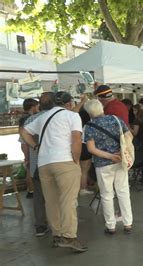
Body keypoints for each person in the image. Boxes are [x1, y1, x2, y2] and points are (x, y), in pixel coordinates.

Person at [22, 91, 87, 252]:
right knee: (67, 200)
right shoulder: (72, 116)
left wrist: (35, 146)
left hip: (44, 163)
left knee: (51, 201)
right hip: (64, 161)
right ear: (69, 103)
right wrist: (76, 160)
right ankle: (69, 236)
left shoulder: (42, 117)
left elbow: (24, 131)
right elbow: (76, 140)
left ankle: (57, 235)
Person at [83, 99, 133, 235]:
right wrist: (121, 152)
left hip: (102, 165)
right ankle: (128, 223)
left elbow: (91, 149)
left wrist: (109, 156)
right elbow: (129, 136)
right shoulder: (116, 119)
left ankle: (111, 226)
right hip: (120, 161)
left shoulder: (89, 126)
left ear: (89, 113)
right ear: (102, 108)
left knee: (106, 195)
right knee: (123, 192)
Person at [19, 97, 48, 237]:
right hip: (53, 162)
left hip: (37, 163)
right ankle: (59, 225)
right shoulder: (59, 117)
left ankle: (41, 226)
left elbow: (24, 143)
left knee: (38, 196)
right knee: (55, 195)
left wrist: (28, 158)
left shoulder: (29, 121)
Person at [18, 98, 39, 198]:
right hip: (28, 145)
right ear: (33, 106)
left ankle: (31, 190)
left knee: (29, 169)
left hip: (26, 145)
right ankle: (31, 190)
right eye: (36, 106)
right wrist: (26, 156)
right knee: (30, 169)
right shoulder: (29, 119)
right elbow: (24, 140)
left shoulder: (24, 117)